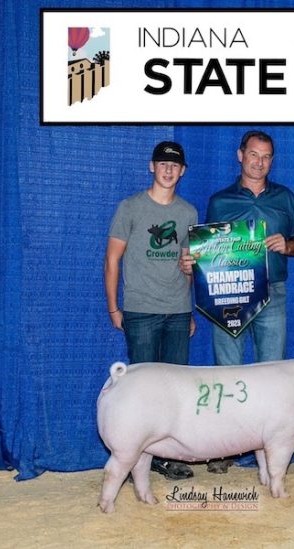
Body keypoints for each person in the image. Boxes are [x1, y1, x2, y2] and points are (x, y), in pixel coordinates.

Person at [180, 130, 294, 473]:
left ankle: (270, 448)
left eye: (266, 156)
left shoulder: (285, 197)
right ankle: (225, 449)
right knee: (228, 373)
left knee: (271, 373)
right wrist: (194, 260)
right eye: (254, 154)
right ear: (240, 156)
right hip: (229, 293)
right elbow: (208, 249)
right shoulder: (220, 201)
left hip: (273, 292)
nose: (259, 162)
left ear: (272, 160)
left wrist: (289, 245)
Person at [104, 141, 198, 481]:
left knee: (176, 388)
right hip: (140, 309)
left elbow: (187, 263)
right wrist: (114, 306)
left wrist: (188, 307)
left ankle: (169, 454)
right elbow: (112, 259)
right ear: (152, 167)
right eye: (162, 164)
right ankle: (138, 456)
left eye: (175, 165)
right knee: (141, 390)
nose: (168, 170)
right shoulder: (130, 208)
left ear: (183, 171)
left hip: (177, 310)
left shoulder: (188, 213)